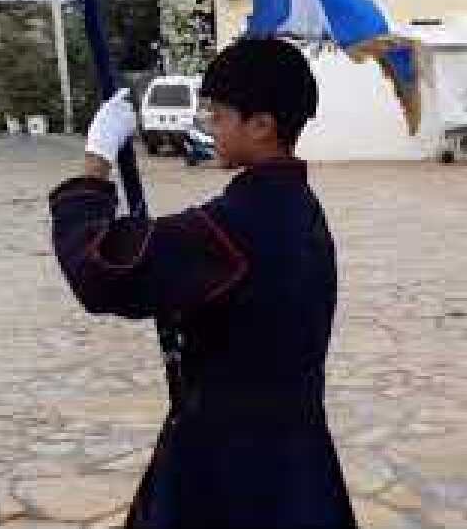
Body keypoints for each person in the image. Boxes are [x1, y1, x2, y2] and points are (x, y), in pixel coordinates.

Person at [47, 37, 356, 529]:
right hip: (297, 460)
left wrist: (97, 159)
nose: (209, 125)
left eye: (219, 115)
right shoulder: (300, 208)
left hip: (228, 470)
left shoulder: (235, 228)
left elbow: (98, 271)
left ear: (261, 126)